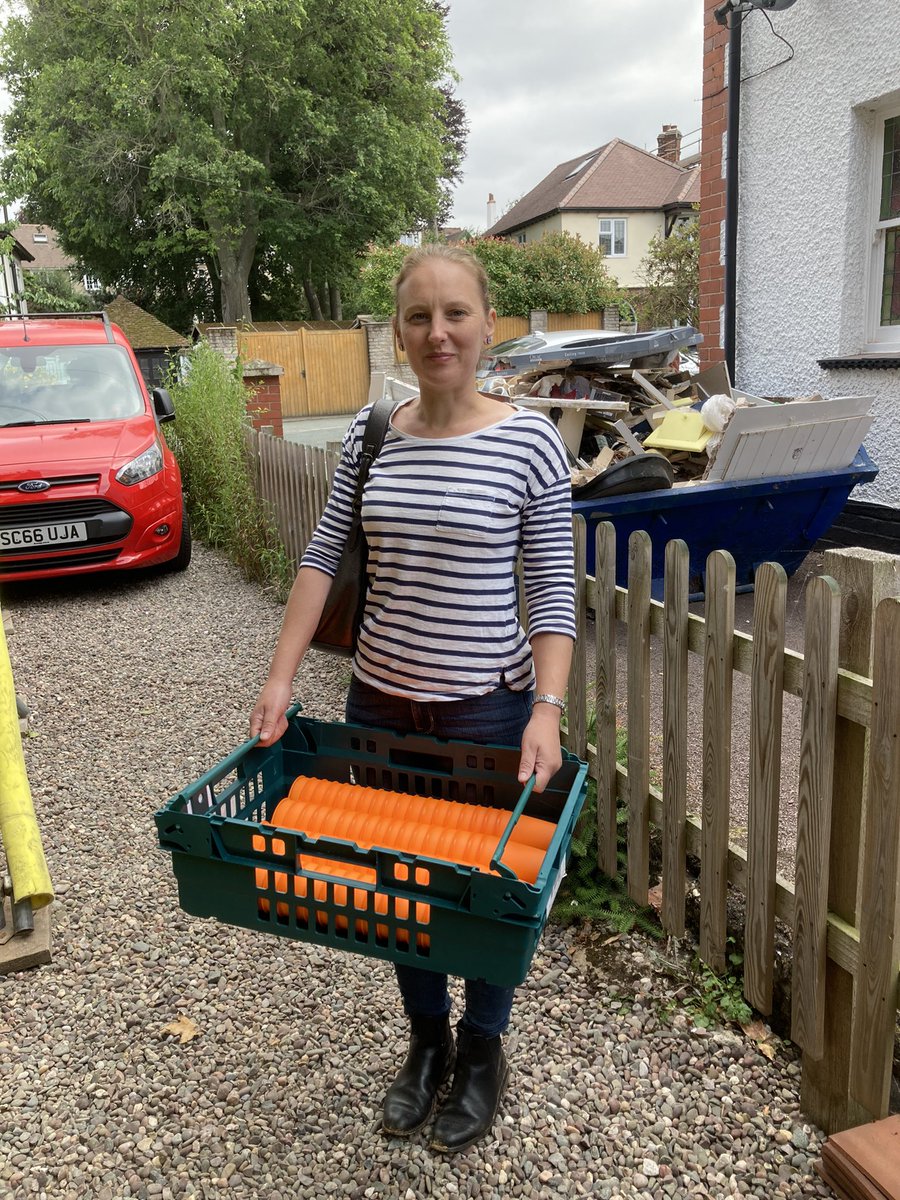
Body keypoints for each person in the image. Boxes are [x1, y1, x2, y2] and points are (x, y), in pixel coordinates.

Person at [250, 243, 576, 1154]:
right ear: (399, 328)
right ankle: (426, 1043)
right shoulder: (373, 432)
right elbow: (324, 557)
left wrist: (546, 707)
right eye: (420, 316)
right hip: (380, 707)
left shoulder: (531, 441)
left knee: (487, 893)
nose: (439, 333)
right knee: (400, 893)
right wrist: (279, 677)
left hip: (485, 713)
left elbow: (553, 587)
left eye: (456, 314)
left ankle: (483, 1051)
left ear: (486, 322)